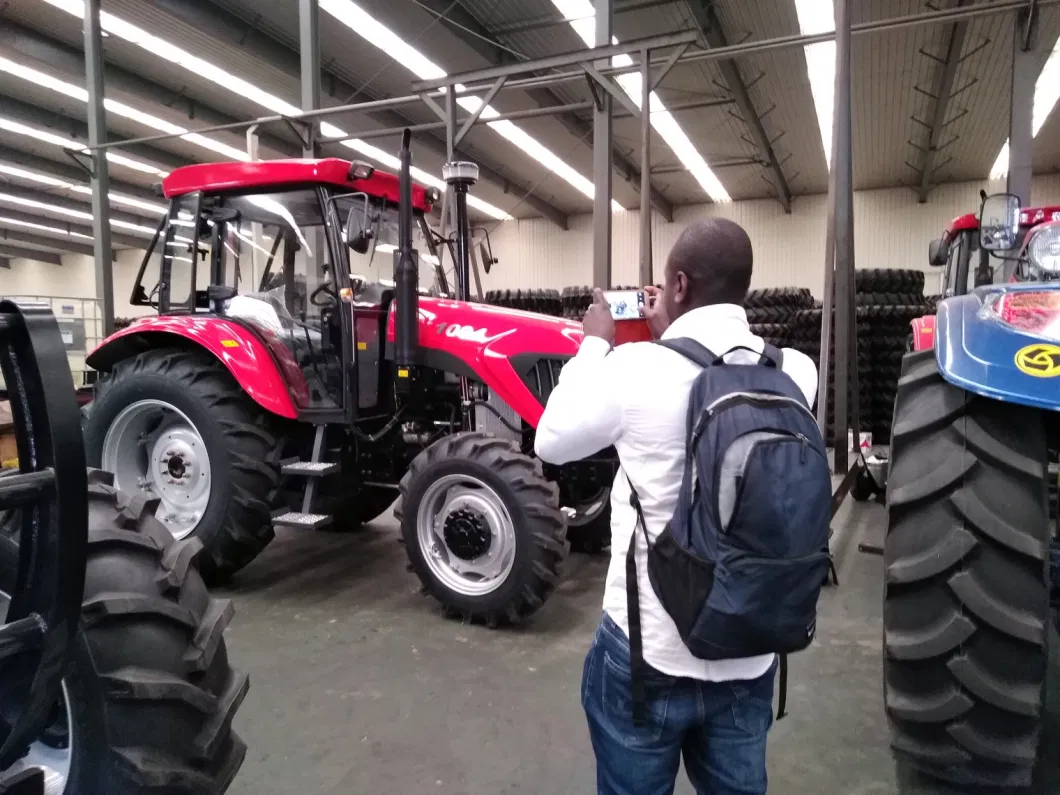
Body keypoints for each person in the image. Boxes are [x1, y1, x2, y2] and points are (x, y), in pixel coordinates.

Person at [535, 218, 818, 795]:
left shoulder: (634, 369)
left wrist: (594, 341)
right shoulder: (796, 371)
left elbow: (551, 439)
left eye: (664, 287)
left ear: (681, 286)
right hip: (752, 647)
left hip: (649, 656)